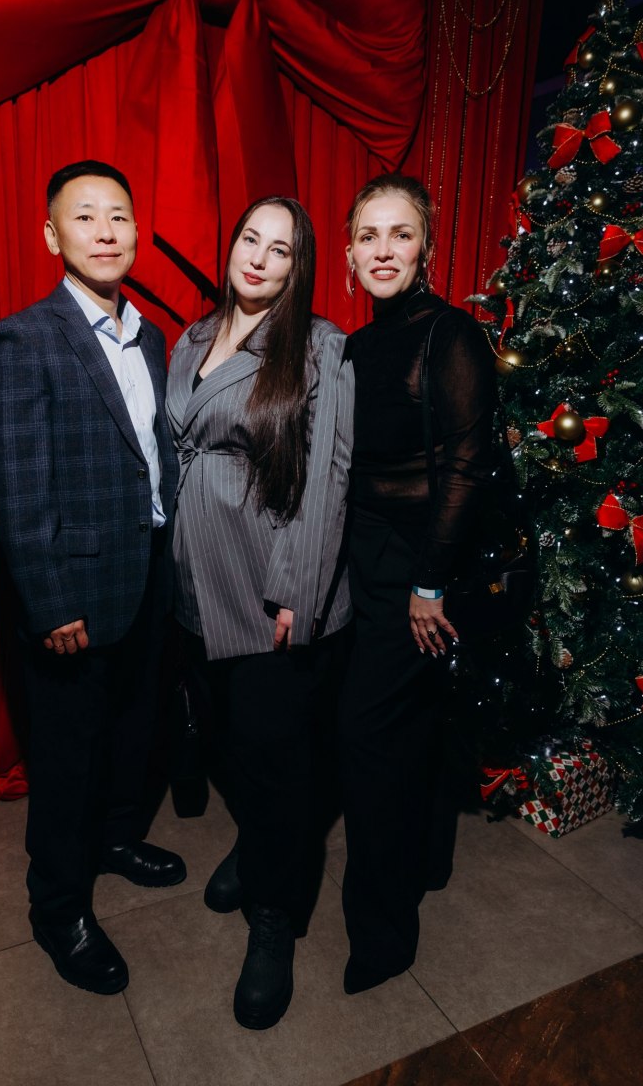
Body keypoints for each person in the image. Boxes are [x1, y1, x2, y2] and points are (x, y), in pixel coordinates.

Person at [0, 160, 185, 996]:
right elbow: (17, 489)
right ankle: (58, 906)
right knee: (67, 759)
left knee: (134, 729)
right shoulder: (24, 339)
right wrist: (51, 601)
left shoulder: (152, 338)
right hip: (75, 593)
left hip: (150, 575)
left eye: (119, 216)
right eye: (86, 216)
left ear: (137, 232)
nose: (105, 231)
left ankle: (117, 838)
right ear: (51, 235)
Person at [166, 196, 353, 1029]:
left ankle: (274, 917)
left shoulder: (318, 348)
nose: (259, 258)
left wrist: (297, 592)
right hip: (194, 583)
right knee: (227, 741)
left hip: (267, 586)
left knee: (278, 760)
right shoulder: (193, 337)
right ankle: (255, 844)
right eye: (251, 239)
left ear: (297, 267)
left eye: (281, 250)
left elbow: (330, 478)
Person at [340, 173, 495, 995]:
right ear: (348, 252)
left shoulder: (451, 334)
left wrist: (430, 583)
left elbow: (467, 466)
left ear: (426, 247)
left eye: (400, 234)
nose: (383, 250)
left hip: (420, 566)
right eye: (369, 235)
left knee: (371, 743)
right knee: (414, 727)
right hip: (365, 561)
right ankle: (429, 862)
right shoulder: (357, 346)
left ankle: (382, 935)